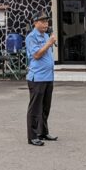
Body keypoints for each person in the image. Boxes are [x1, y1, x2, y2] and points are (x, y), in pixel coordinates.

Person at [25, 11, 58, 146]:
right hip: (37, 78)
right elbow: (37, 55)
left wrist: (49, 41)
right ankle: (32, 137)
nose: (46, 24)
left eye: (47, 21)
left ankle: (42, 132)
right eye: (43, 21)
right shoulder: (31, 37)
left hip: (48, 77)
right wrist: (49, 43)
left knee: (45, 107)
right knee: (35, 109)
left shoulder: (45, 36)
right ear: (35, 23)